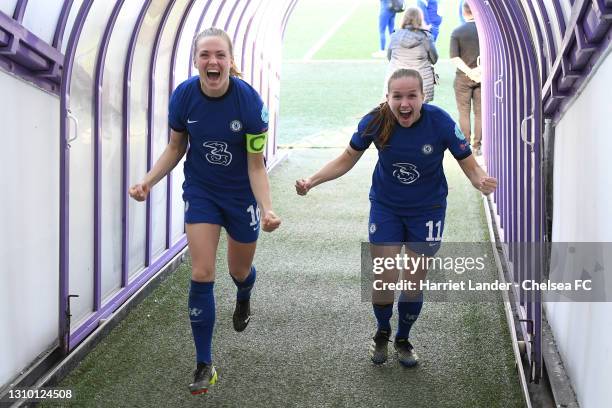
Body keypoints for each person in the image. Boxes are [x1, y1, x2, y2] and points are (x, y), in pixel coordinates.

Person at [295, 69, 497, 367]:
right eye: (397, 96)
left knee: (413, 282)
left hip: (428, 211)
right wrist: (312, 180)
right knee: (384, 278)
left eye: (411, 96)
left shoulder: (440, 121)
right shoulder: (375, 121)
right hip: (386, 208)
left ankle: (403, 338)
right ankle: (382, 331)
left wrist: (479, 180)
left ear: (422, 97)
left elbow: (468, 164)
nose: (405, 103)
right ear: (387, 98)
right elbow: (346, 159)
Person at [129, 27, 281, 395]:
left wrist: (267, 208)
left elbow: (256, 165)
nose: (212, 62)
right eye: (205, 55)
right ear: (196, 60)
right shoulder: (183, 97)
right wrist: (148, 180)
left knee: (238, 270)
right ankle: (204, 363)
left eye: (219, 55)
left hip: (240, 196)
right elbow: (175, 146)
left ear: (230, 61)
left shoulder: (249, 103)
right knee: (201, 271)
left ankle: (244, 293)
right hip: (202, 192)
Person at [385, 7, 438, 103]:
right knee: (420, 112)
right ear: (420, 19)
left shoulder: (394, 36)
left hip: (397, 81)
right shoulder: (426, 37)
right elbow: (434, 59)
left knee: (396, 111)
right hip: (421, 83)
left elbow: (389, 57)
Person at [450, 0, 482, 154]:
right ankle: (477, 146)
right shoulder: (485, 32)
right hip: (482, 77)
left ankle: (466, 145)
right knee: (479, 113)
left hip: (463, 77)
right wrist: (478, 72)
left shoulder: (457, 32)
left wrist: (469, 72)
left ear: (464, 13)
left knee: (464, 112)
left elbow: (454, 58)